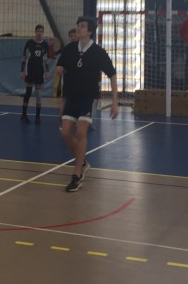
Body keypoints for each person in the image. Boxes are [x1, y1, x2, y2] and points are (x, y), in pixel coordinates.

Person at [55, 16, 119, 192]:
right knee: (65, 132)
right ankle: (81, 160)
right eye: (77, 25)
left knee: (81, 131)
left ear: (89, 31)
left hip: (88, 98)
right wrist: (59, 69)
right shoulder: (70, 49)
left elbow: (112, 75)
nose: (78, 28)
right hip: (71, 97)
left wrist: (115, 102)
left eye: (82, 26)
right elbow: (61, 66)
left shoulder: (98, 52)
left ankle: (76, 175)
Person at [20, 24, 51, 124]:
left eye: (41, 31)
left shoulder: (45, 44)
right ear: (35, 32)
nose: (39, 33)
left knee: (38, 94)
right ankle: (23, 115)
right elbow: (24, 57)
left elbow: (46, 60)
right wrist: (22, 71)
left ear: (43, 33)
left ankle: (37, 116)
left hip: (39, 71)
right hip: (30, 70)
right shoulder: (29, 43)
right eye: (38, 31)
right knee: (28, 93)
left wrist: (47, 71)